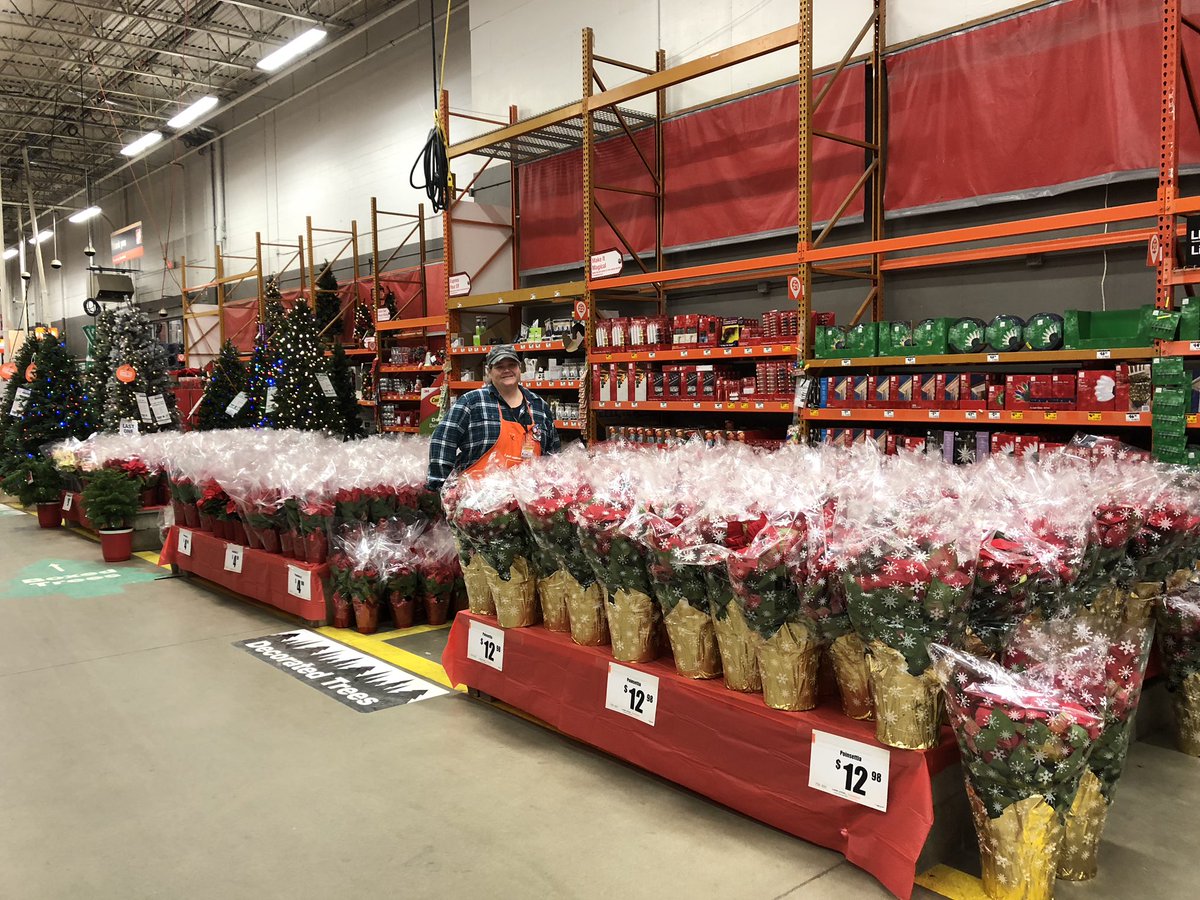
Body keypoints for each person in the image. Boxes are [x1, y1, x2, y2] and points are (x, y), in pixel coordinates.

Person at [427, 345, 561, 489]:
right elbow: (443, 440)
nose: (507, 370)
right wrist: (442, 487)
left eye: (512, 365)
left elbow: (552, 453)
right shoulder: (472, 402)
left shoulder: (538, 405)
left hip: (527, 500)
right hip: (476, 502)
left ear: (519, 368)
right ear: (489, 372)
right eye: (499, 366)